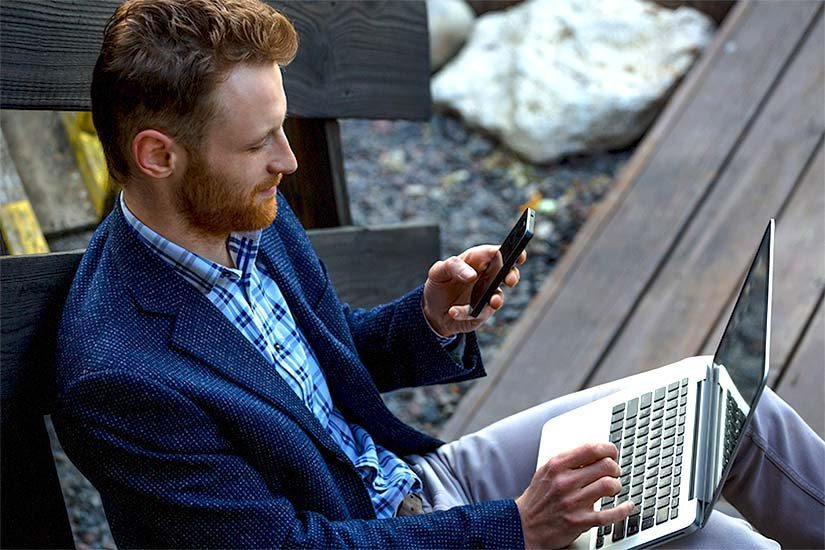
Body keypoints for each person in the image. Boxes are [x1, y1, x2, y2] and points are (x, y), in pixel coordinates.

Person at [53, 1, 824, 548]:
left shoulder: (233, 207)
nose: (287, 162)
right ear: (159, 154)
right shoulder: (119, 377)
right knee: (722, 543)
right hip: (396, 533)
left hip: (425, 484)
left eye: (283, 129)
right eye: (261, 143)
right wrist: (517, 528)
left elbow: (312, 364)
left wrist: (424, 318)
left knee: (722, 404)